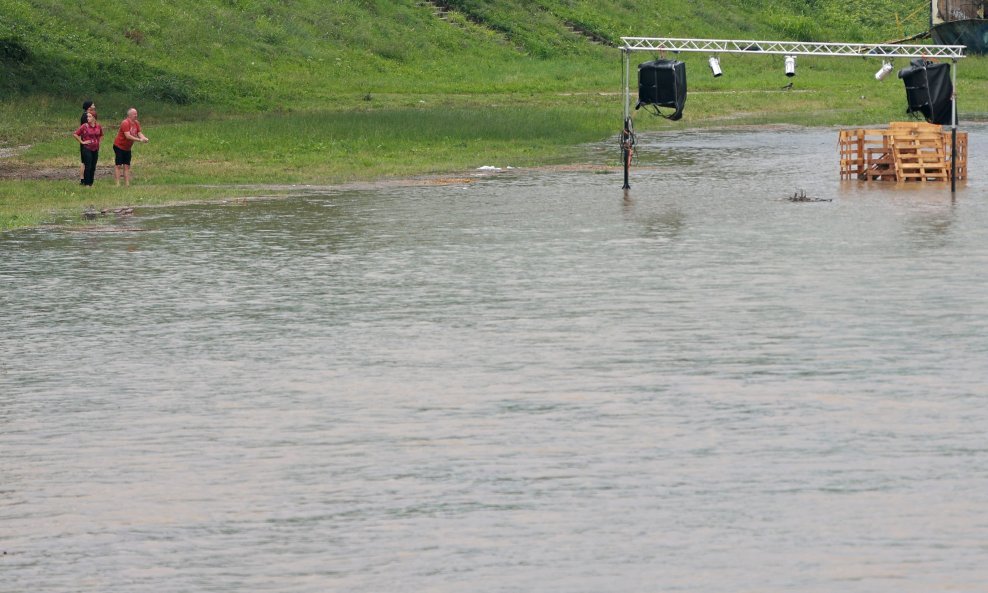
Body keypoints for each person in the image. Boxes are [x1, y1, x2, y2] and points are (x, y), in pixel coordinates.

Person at [112, 107, 149, 187]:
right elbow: (128, 136)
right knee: (118, 165)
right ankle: (117, 183)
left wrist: (144, 138)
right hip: (119, 146)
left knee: (127, 165)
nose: (136, 115)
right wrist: (139, 140)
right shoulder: (125, 123)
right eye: (134, 114)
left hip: (127, 148)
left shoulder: (136, 123)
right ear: (129, 115)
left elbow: (139, 132)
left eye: (136, 114)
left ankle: (127, 184)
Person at [73, 111, 103, 187]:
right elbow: (75, 134)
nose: (88, 118)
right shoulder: (84, 126)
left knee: (93, 166)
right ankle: (86, 184)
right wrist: (82, 142)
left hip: (95, 148)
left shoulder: (98, 126)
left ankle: (91, 183)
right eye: (87, 117)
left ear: (94, 118)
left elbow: (101, 135)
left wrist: (99, 143)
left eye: (89, 117)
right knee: (88, 166)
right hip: (87, 148)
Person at [78, 100, 97, 184]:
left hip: (86, 141)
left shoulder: (86, 115)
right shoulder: (86, 116)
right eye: (93, 104)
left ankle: (83, 179)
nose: (94, 106)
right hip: (86, 142)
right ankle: (83, 179)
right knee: (85, 162)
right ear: (89, 107)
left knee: (84, 161)